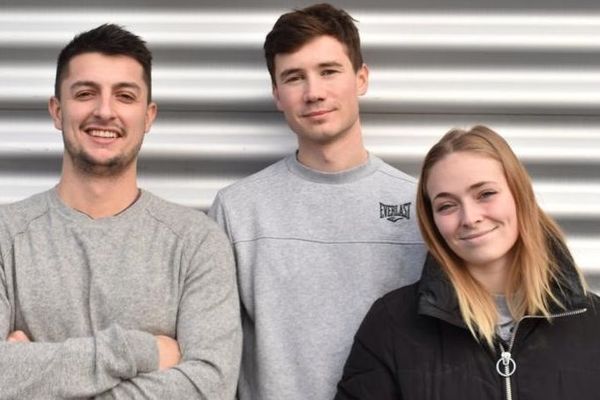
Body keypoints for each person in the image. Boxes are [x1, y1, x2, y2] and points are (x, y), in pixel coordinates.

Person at [0, 24, 241, 399]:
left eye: (125, 96)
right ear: (57, 110)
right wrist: (140, 351)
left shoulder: (197, 242)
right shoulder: (5, 236)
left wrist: (31, 375)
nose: (104, 111)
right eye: (85, 93)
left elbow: (210, 386)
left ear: (148, 116)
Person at [209, 4, 426, 400]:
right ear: (278, 94)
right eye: (294, 78)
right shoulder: (237, 210)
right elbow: (214, 355)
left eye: (329, 71)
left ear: (361, 78)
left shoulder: (421, 205)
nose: (314, 93)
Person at [336, 125, 600, 399]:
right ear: (433, 222)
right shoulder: (392, 324)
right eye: (447, 205)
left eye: (485, 194)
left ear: (519, 194)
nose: (470, 217)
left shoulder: (592, 323)